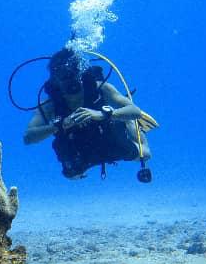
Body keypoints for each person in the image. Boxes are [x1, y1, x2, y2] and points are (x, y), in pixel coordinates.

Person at [23, 47, 152, 180]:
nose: (69, 81)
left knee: (146, 154)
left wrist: (102, 114)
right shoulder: (49, 105)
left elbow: (135, 111)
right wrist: (59, 125)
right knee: (72, 175)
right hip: (80, 144)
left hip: (107, 133)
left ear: (80, 72)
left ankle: (128, 122)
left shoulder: (100, 88)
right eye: (63, 77)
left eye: (72, 74)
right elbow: (28, 137)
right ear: (55, 80)